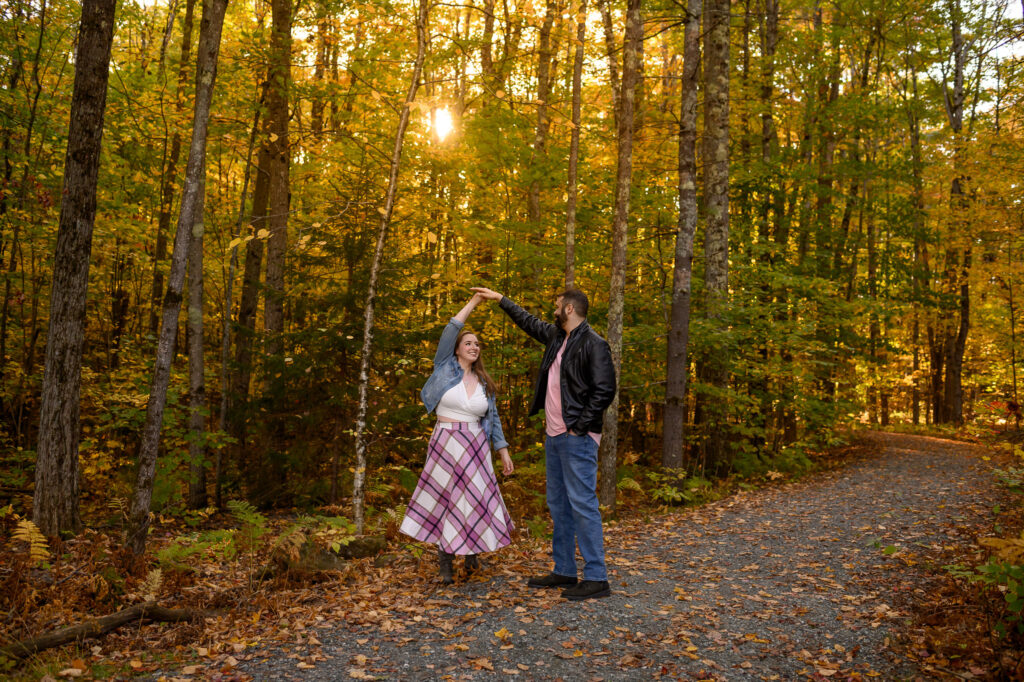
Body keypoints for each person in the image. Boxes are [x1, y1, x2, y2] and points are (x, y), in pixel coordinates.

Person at [471, 286, 616, 601]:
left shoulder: (594, 344)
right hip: (554, 437)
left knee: (583, 504)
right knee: (559, 505)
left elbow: (604, 389)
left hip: (576, 437)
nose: (553, 308)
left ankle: (596, 577)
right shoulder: (557, 339)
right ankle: (564, 569)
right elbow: (528, 321)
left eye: (557, 304)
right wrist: (501, 300)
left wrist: (578, 427)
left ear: (568, 309)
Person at [400, 293, 515, 585]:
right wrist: (475, 301)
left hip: (476, 446)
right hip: (445, 444)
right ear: (457, 349)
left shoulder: (484, 383)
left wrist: (502, 452)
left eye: (477, 344)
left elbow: (494, 419)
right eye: (468, 343)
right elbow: (452, 327)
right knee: (447, 501)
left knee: (473, 502)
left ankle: (472, 561)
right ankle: (445, 566)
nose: (474, 347)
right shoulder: (445, 367)